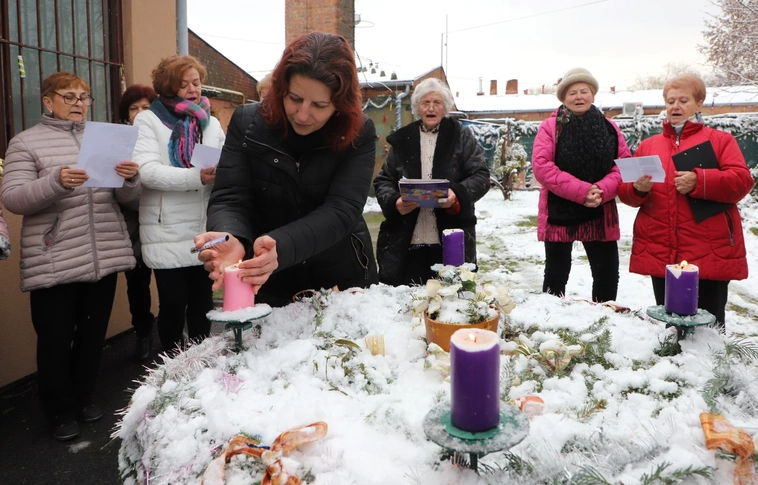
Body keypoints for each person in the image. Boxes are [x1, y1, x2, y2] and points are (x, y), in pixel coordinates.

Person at [0, 71, 140, 441]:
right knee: (55, 341)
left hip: (103, 253)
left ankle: (84, 398)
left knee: (92, 336)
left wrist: (130, 179)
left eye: (83, 97)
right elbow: (13, 198)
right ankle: (59, 410)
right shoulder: (25, 142)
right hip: (54, 256)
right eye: (69, 96)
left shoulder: (105, 138)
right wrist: (56, 182)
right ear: (48, 101)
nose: (78, 103)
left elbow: (129, 200)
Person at [195, 32, 378, 306]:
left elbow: (342, 209)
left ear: (340, 104)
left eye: (319, 105)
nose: (302, 115)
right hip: (267, 278)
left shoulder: (358, 131)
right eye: (294, 98)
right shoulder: (248, 123)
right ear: (281, 88)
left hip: (341, 278)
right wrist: (231, 235)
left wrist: (281, 246)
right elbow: (230, 196)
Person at [618, 73, 752, 328]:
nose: (675, 107)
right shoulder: (649, 146)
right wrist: (637, 189)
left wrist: (699, 180)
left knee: (710, 327)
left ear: (699, 103)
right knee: (670, 323)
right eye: (670, 101)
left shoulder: (720, 141)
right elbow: (627, 194)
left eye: (683, 100)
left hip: (709, 250)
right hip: (662, 248)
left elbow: (741, 182)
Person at [132, 55, 225, 353]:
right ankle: (172, 366)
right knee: (173, 305)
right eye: (183, 84)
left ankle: (200, 365)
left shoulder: (212, 123)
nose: (192, 89)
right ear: (167, 87)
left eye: (196, 82)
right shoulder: (148, 120)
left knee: (202, 304)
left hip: (203, 228)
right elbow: (147, 171)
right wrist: (196, 177)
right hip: (166, 230)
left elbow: (226, 163)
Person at [373, 78, 490, 286]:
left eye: (437, 102)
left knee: (451, 298)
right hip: (406, 242)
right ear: (417, 107)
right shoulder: (403, 139)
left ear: (445, 107)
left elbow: (481, 176)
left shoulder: (461, 136)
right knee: (408, 301)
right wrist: (395, 202)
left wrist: (457, 194)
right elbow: (383, 180)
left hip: (450, 238)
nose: (431, 108)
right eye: (425, 102)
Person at [532, 68, 630, 302]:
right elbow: (542, 166)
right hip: (559, 211)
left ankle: (605, 317)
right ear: (564, 98)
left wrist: (601, 190)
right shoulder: (550, 127)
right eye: (572, 92)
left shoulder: (610, 127)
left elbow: (623, 164)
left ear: (593, 95)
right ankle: (551, 317)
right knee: (556, 274)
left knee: (607, 274)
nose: (579, 97)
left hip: (601, 210)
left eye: (584, 91)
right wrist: (583, 191)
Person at [118, 84, 158, 362]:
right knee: (137, 286)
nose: (140, 113)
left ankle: (174, 328)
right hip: (133, 227)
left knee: (170, 283)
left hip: (165, 221)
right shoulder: (119, 143)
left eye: (146, 107)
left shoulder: (165, 136)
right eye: (134, 108)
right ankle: (143, 331)